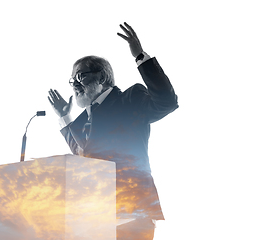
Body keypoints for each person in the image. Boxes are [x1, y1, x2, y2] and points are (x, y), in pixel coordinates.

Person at [48, 22, 178, 240]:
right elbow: (83, 155)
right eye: (72, 80)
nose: (75, 84)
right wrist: (64, 117)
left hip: (132, 211)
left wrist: (140, 57)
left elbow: (166, 102)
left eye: (81, 76)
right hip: (96, 213)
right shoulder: (86, 120)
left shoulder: (130, 99)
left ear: (101, 77)